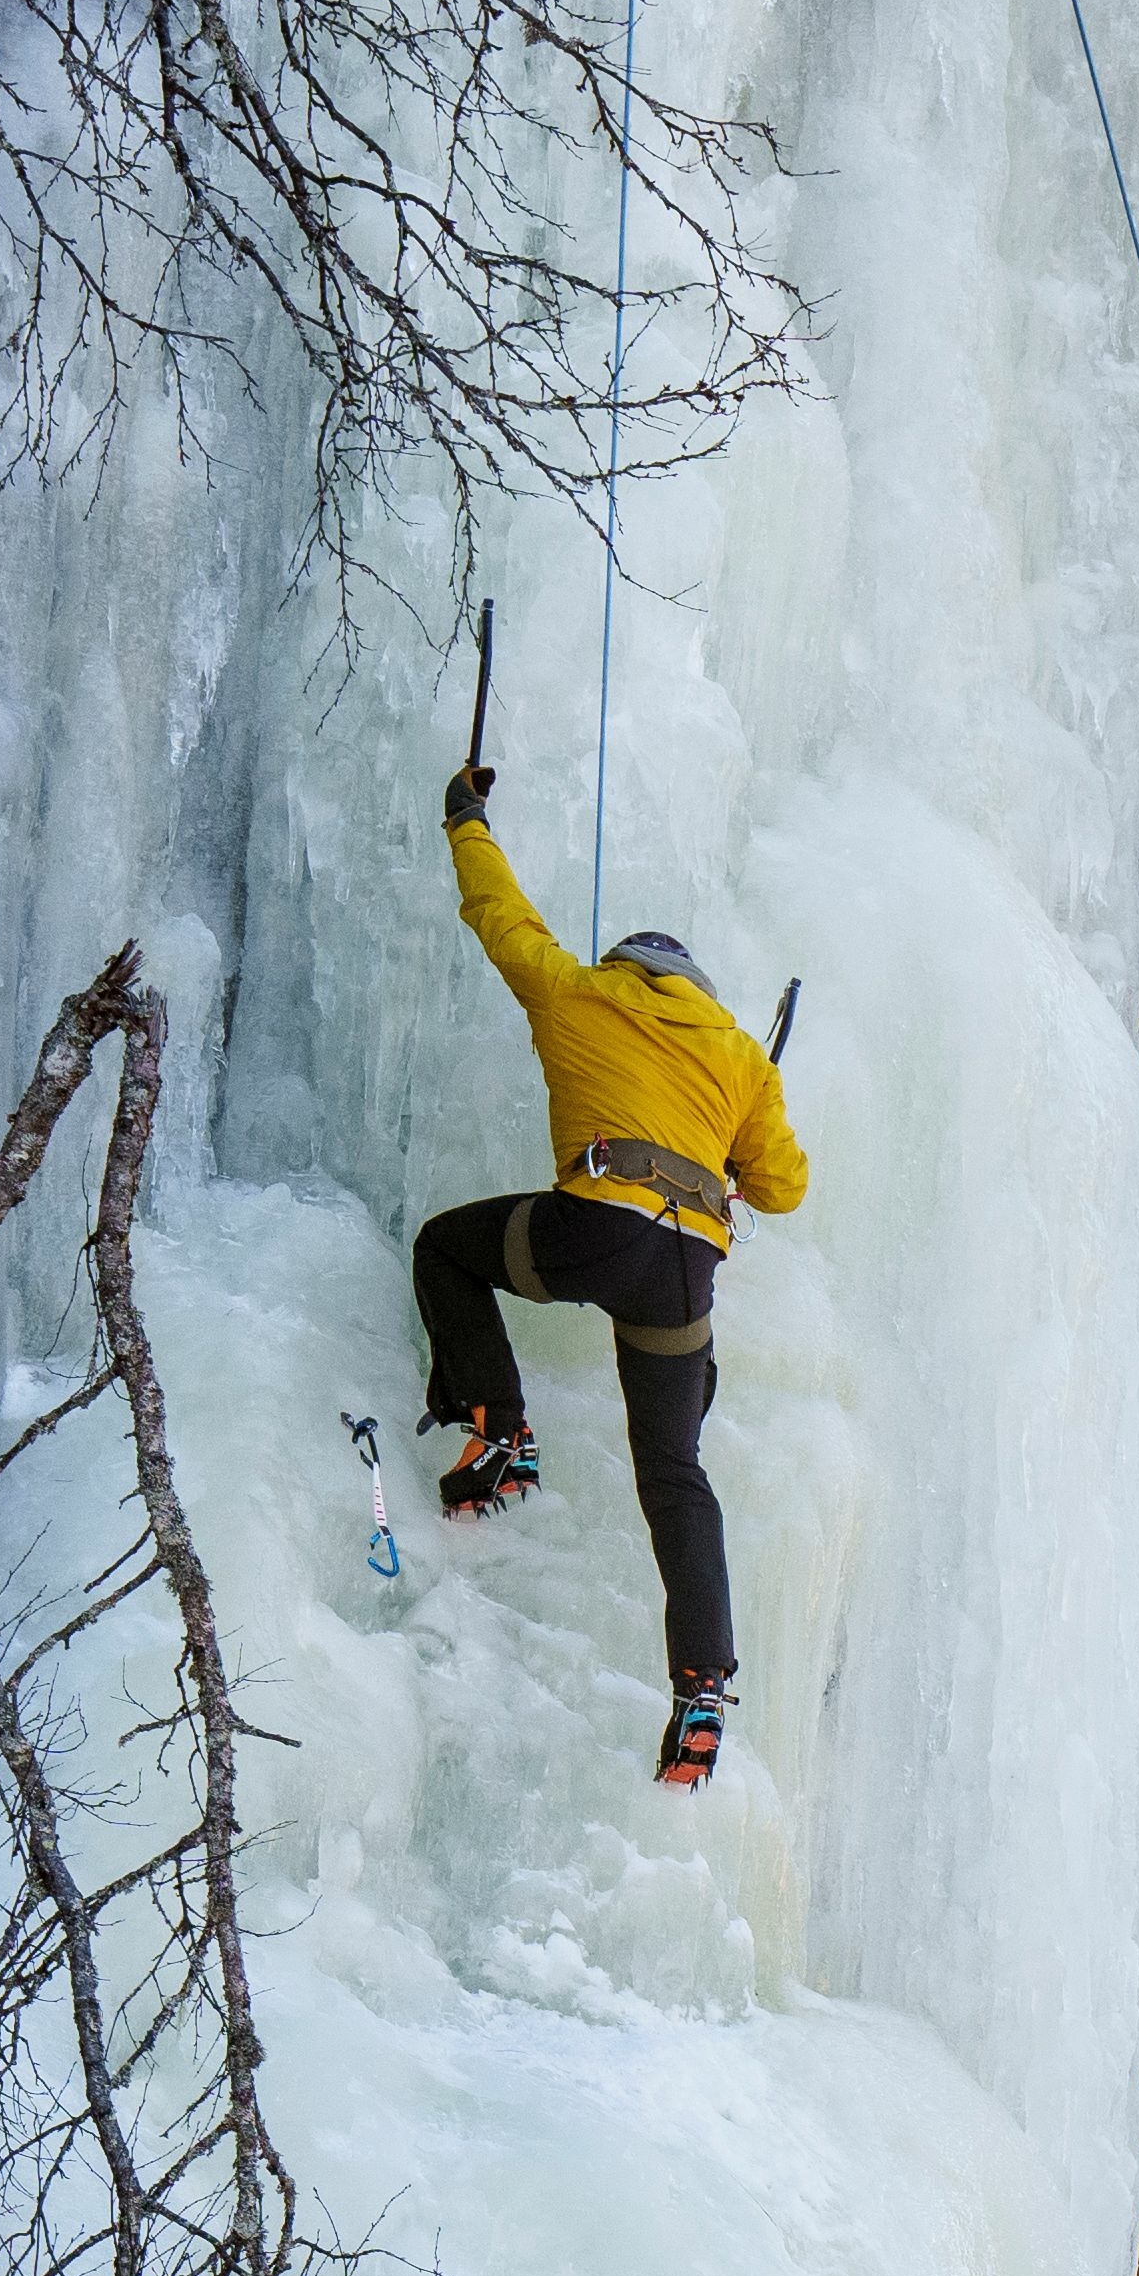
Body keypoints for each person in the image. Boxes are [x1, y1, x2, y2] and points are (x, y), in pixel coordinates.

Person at [412, 752, 805, 1788]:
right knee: (674, 1472)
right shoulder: (738, 1056)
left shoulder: (580, 993)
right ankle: (703, 1690)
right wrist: (731, 1136)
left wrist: (466, 821)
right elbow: (783, 1188)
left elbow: (504, 919)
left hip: (594, 1230)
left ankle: (502, 1434)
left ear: (631, 969)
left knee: (447, 1250)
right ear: (698, 991)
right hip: (682, 1278)